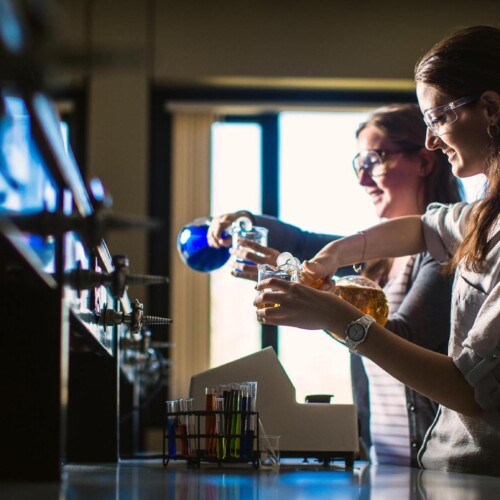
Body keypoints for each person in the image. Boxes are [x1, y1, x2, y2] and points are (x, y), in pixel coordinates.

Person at [254, 25, 500, 476]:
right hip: (445, 470)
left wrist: (334, 315)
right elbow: (425, 226)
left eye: (437, 119)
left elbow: (470, 391)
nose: (432, 140)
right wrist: (333, 255)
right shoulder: (483, 215)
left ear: (489, 108)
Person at [208, 103, 463, 466]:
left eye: (374, 160)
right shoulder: (374, 257)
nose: (362, 179)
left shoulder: (451, 249)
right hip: (381, 458)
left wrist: (325, 305)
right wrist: (243, 219)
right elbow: (303, 243)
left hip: (432, 463)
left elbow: (402, 340)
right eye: (359, 165)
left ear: (423, 162)